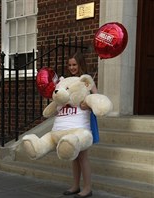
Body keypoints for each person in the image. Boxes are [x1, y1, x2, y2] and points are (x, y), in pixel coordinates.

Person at [61, 52, 97, 198]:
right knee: (74, 156)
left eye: (74, 64)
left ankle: (87, 188)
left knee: (82, 156)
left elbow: (97, 99)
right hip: (71, 121)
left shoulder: (87, 80)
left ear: (80, 64)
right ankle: (76, 185)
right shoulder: (69, 80)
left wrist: (87, 105)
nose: (72, 67)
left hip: (83, 123)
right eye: (69, 65)